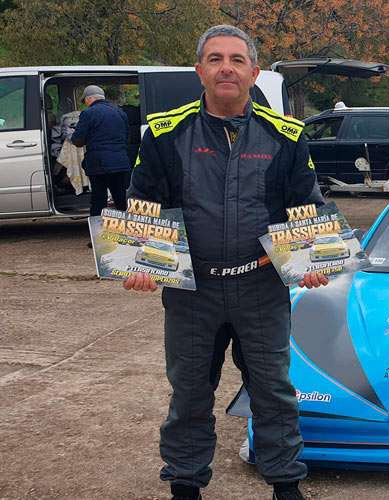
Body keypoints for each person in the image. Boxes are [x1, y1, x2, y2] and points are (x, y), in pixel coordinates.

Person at [124, 25, 329, 500]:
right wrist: (139, 260)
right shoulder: (163, 133)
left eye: (237, 60)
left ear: (254, 72)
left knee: (274, 390)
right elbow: (143, 201)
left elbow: (307, 206)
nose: (226, 68)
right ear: (200, 71)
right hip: (192, 291)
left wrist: (313, 257)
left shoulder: (287, 136)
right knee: (190, 391)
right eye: (215, 59)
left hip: (262, 287)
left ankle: (284, 482)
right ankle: (185, 482)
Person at [71, 84, 131, 246]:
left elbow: (77, 140)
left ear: (90, 98)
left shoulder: (88, 113)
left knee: (99, 200)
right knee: (121, 199)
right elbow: (127, 137)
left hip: (98, 164)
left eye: (85, 101)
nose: (85, 104)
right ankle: (129, 236)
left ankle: (98, 239)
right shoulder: (120, 112)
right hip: (120, 162)